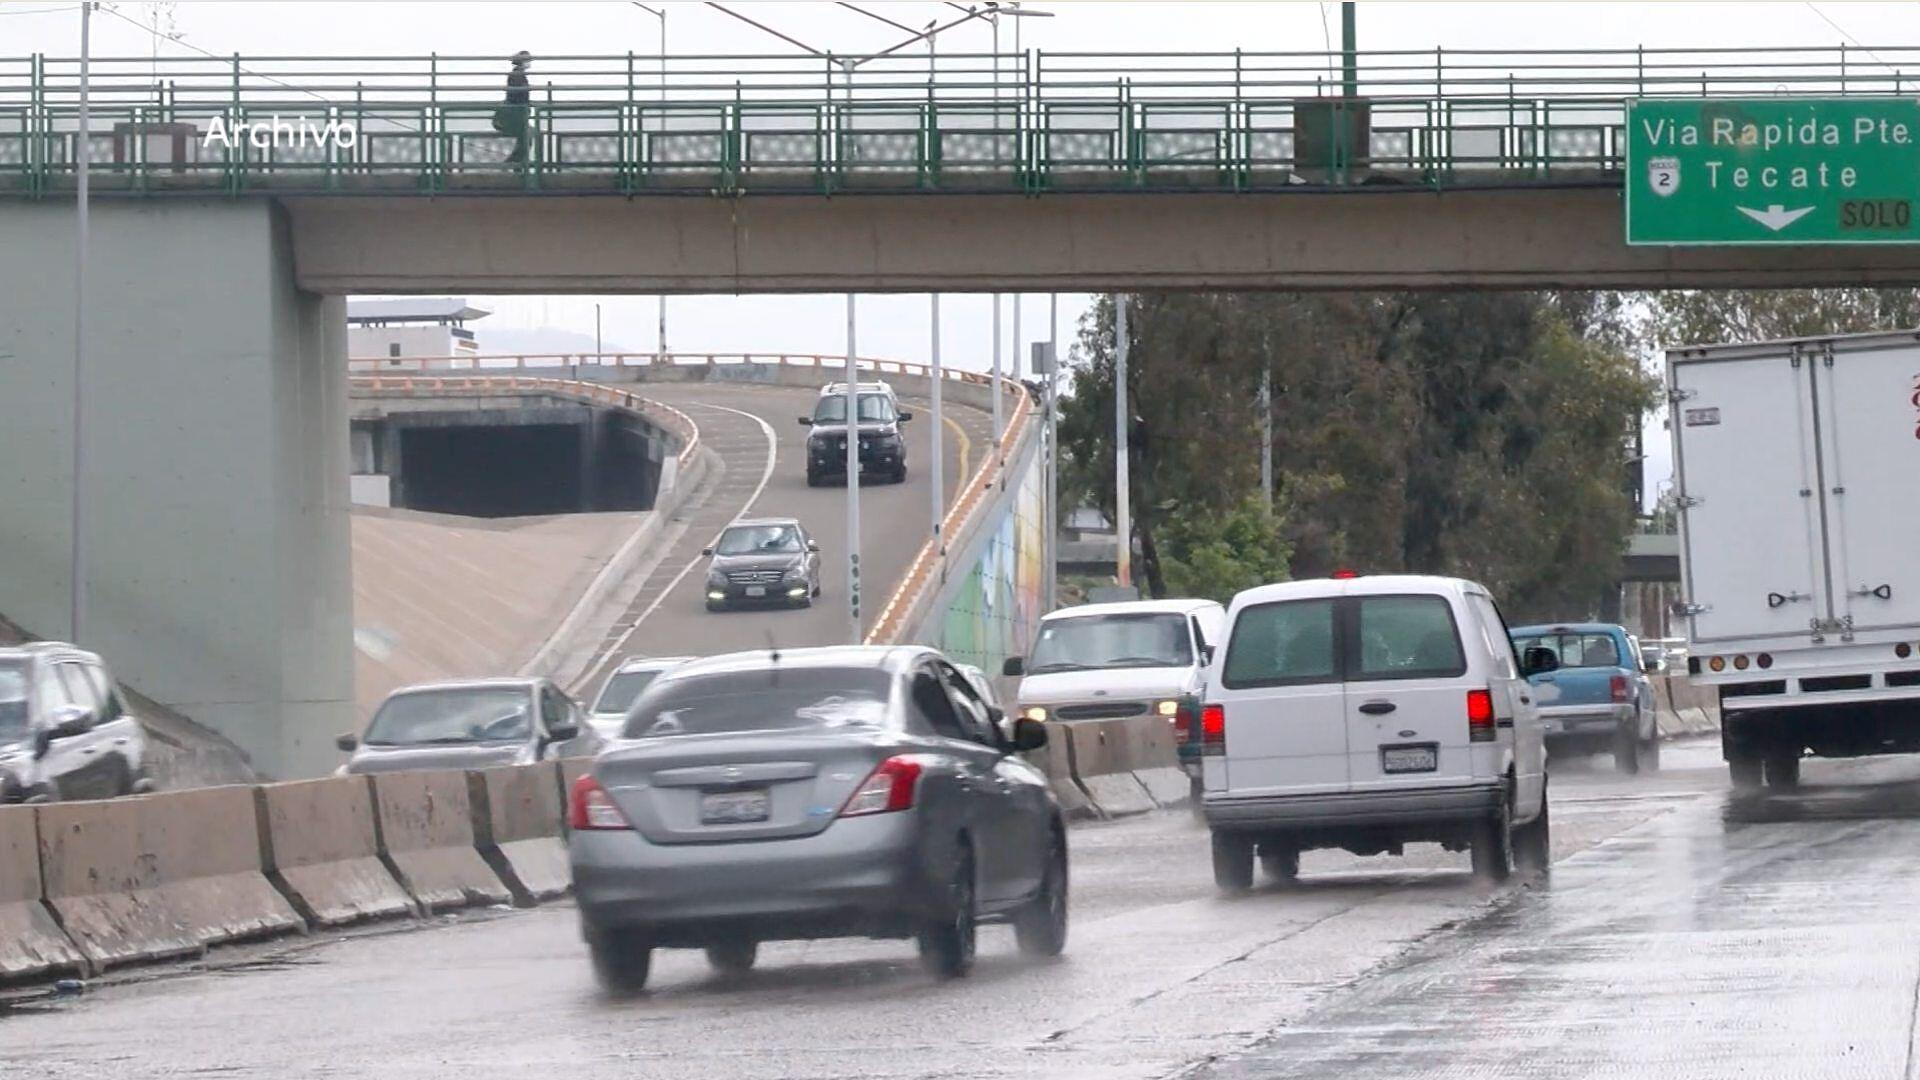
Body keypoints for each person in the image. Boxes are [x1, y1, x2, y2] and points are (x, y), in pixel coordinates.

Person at [495, 50, 533, 164]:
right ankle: (515, 162)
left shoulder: (516, 74)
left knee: (526, 138)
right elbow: (518, 96)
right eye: (528, 60)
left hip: (515, 114)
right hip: (515, 115)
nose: (529, 63)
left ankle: (515, 162)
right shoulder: (518, 75)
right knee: (527, 137)